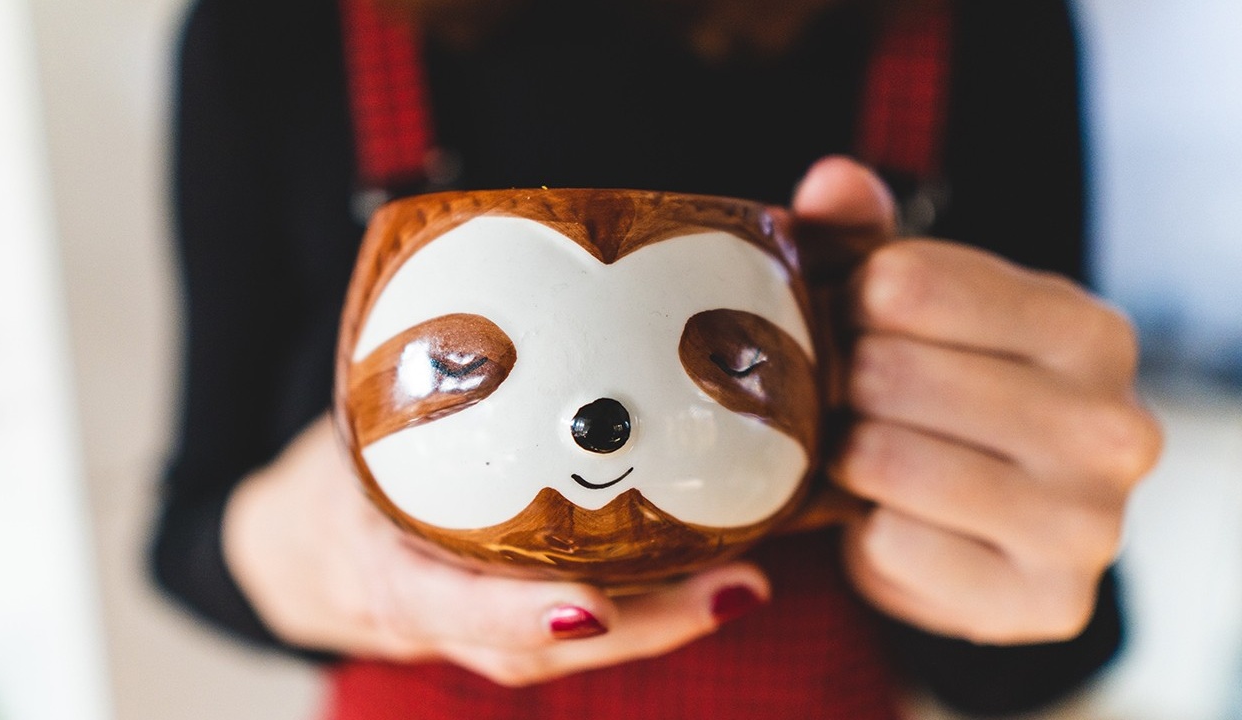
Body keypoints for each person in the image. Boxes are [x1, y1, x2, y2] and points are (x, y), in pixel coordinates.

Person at [152, 0, 1163, 717]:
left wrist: (1016, 568)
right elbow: (187, 529)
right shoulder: (269, 31)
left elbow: (1025, 659)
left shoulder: (980, 27)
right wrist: (281, 552)